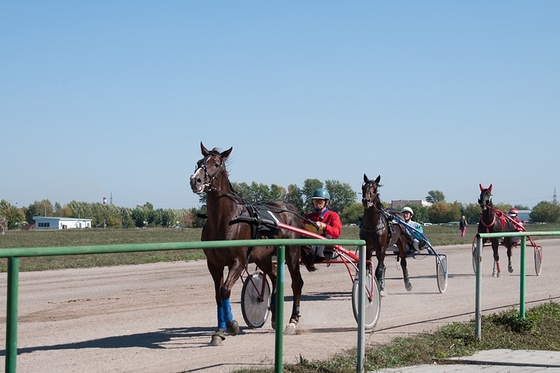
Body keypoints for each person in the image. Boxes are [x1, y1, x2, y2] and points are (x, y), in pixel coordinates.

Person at [304, 188, 342, 261]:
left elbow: (337, 233)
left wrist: (325, 226)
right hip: (310, 246)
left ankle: (327, 253)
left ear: (327, 202)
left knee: (327, 238)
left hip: (325, 246)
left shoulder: (333, 215)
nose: (317, 203)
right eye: (315, 201)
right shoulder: (308, 217)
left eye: (320, 201)